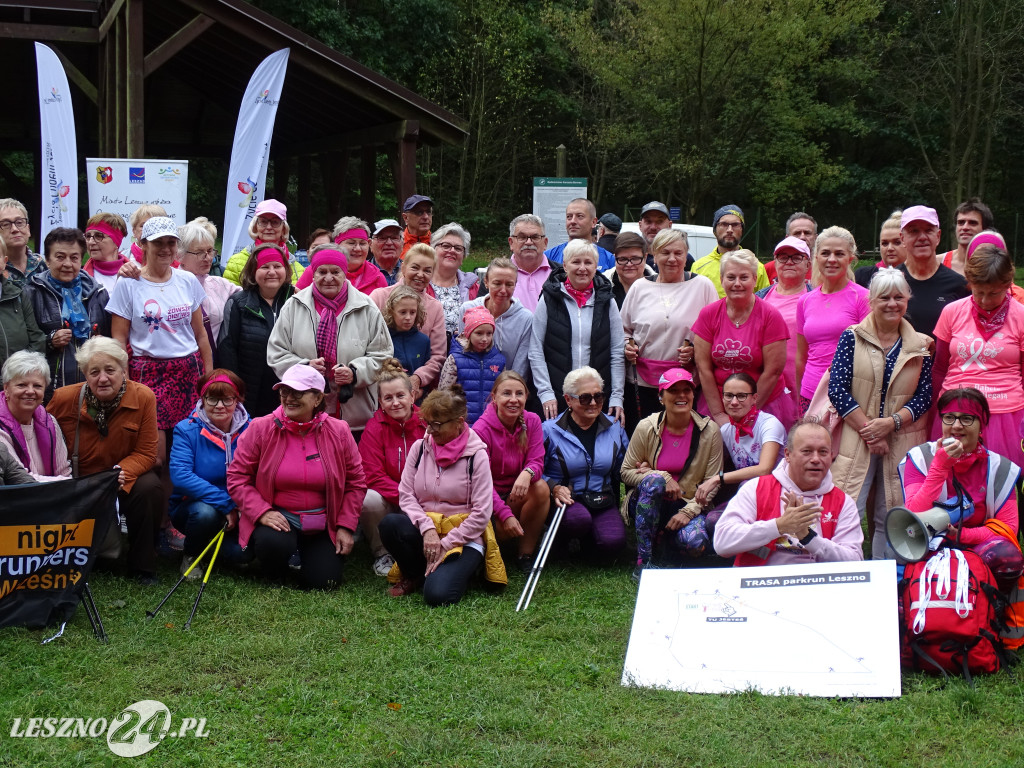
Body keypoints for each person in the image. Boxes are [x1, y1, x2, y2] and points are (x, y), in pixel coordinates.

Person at [227, 364, 365, 589]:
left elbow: (356, 483)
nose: (289, 398)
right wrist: (261, 512)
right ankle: (274, 571)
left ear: (318, 398)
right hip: (279, 519)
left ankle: (309, 562)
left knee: (326, 583)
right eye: (284, 392)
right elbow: (237, 478)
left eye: (298, 393)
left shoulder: (339, 431)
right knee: (272, 543)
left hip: (323, 522)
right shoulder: (260, 428)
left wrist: (346, 526)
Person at [827, 268, 932, 558]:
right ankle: (842, 575)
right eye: (884, 297)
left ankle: (889, 583)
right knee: (848, 509)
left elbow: (924, 396)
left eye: (899, 297)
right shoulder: (852, 337)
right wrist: (872, 432)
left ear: (908, 301)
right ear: (871, 301)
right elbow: (837, 389)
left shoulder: (921, 345)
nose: (892, 303)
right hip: (855, 437)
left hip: (901, 439)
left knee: (891, 515)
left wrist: (891, 423)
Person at [47, 338, 162, 583]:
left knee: (149, 487)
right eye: (94, 372)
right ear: (85, 375)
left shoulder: (143, 397)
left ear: (123, 370)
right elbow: (42, 433)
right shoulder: (63, 398)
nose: (103, 378)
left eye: (110, 370)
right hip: (79, 479)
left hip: (120, 477)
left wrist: (122, 472)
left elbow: (146, 453)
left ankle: (143, 566)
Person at [107, 216, 213, 476]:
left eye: (171, 242)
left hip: (188, 371)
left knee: (188, 452)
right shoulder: (129, 283)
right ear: (143, 244)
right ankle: (158, 511)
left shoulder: (187, 280)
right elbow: (119, 339)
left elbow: (200, 335)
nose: (165, 249)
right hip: (149, 374)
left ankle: (178, 513)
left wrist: (209, 376)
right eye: (158, 243)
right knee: (155, 456)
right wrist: (126, 383)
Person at [378, 385, 503, 605]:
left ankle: (461, 569)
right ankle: (415, 573)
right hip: (428, 531)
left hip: (464, 537)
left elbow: (482, 513)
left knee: (437, 596)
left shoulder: (477, 456)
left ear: (459, 422)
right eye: (427, 423)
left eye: (437, 425)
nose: (430, 431)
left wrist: (447, 543)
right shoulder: (419, 448)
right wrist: (427, 529)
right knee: (390, 524)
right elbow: (405, 494)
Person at [899, 388, 1022, 590]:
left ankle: (997, 612)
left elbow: (1008, 529)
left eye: (967, 418)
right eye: (949, 418)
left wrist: (961, 535)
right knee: (895, 551)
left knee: (1007, 556)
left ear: (981, 425)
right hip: (926, 542)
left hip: (978, 545)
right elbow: (913, 516)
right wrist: (940, 466)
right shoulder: (921, 457)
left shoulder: (1001, 467)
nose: (956, 426)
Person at [268, 247, 393, 434]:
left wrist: (354, 372)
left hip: (355, 415)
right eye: (322, 271)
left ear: (345, 274)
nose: (328, 278)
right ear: (313, 274)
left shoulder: (366, 307)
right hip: (304, 413)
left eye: (335, 272)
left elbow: (383, 355)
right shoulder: (294, 306)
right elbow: (276, 353)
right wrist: (304, 367)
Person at [714, 420, 864, 565]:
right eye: (807, 451)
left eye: (823, 452)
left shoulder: (843, 502)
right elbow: (722, 543)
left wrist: (808, 537)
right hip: (761, 584)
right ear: (787, 455)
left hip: (818, 585)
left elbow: (855, 561)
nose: (816, 459)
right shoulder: (756, 488)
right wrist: (779, 526)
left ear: (831, 456)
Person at [621, 369, 723, 578]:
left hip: (687, 503)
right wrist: (661, 476)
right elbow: (626, 472)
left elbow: (713, 482)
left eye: (687, 390)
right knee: (655, 481)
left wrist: (688, 512)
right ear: (661, 397)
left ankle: (664, 539)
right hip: (649, 501)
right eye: (673, 391)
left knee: (695, 544)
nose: (682, 396)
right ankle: (644, 561)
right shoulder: (646, 427)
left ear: (694, 395)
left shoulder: (710, 430)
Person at [931, 245, 1024, 468]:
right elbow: (940, 368)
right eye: (978, 291)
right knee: (949, 484)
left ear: (1007, 285)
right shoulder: (952, 312)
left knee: (999, 486)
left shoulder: (1021, 316)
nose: (984, 300)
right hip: (954, 411)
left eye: (993, 293)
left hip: (1004, 415)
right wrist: (936, 412)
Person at [621, 228, 718, 434]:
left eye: (678, 253)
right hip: (644, 383)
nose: (672, 259)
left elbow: (716, 332)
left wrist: (696, 350)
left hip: (686, 384)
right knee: (645, 437)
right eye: (665, 253)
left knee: (681, 438)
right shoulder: (639, 287)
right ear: (653, 256)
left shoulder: (702, 286)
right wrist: (627, 346)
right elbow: (623, 329)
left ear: (686, 255)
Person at [692, 249, 792, 428]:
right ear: (722, 280)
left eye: (744, 277)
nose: (737, 283)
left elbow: (773, 371)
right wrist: (719, 414)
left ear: (755, 279)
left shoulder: (770, 316)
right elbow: (703, 368)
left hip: (762, 404)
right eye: (731, 277)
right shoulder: (708, 314)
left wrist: (748, 413)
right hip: (718, 403)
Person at [530, 240, 625, 422]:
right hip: (557, 396)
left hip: (596, 397)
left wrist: (616, 396)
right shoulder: (549, 298)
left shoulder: (607, 301)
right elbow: (535, 350)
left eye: (588, 262)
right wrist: (546, 393)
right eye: (576, 262)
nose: (582, 268)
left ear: (596, 266)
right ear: (565, 265)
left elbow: (617, 352)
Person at [169, 369, 251, 576]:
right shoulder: (186, 430)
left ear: (238, 400)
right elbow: (181, 475)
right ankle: (192, 554)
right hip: (195, 506)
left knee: (241, 556)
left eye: (227, 399)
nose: (220, 406)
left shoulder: (254, 429)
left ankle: (218, 546)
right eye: (212, 399)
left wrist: (241, 506)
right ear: (202, 399)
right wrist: (226, 504)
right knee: (205, 514)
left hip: (241, 507)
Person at [543, 367, 629, 561]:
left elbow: (624, 467)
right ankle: (562, 537)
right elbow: (533, 469)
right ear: (568, 400)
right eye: (584, 398)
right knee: (578, 521)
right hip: (565, 500)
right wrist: (553, 487)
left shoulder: (615, 427)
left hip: (601, 498)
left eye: (598, 397)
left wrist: (639, 468)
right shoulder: (549, 430)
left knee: (613, 543)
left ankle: (585, 542)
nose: (593, 403)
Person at [472, 371, 549, 572]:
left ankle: (525, 554)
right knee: (495, 530)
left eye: (519, 394)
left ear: (526, 397)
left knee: (540, 488)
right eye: (507, 393)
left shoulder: (532, 421)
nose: (513, 400)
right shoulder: (481, 430)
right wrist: (505, 514)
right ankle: (496, 543)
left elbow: (537, 460)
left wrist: (527, 473)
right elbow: (481, 484)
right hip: (488, 501)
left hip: (516, 494)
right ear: (494, 397)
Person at [358, 359, 426, 577]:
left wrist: (418, 497)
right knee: (368, 498)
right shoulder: (374, 428)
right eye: (388, 398)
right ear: (380, 401)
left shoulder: (429, 423)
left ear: (412, 396)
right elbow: (372, 475)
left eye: (400, 396)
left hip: (424, 496)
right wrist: (405, 497)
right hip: (390, 497)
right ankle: (382, 552)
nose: (395, 403)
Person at [24, 227, 110, 393]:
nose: (68, 264)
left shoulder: (98, 294)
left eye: (74, 257)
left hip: (94, 388)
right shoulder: (32, 293)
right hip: (49, 389)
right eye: (60, 257)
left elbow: (112, 339)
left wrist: (102, 341)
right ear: (47, 260)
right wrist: (50, 341)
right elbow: (23, 343)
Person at [796, 226, 870, 411]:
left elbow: (871, 354)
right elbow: (801, 357)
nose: (831, 259)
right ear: (817, 257)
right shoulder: (805, 301)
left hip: (849, 396)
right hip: (810, 393)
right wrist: (799, 393)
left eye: (839, 254)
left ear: (850, 259)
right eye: (826, 253)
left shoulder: (863, 298)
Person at [219, 244, 294, 417]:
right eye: (265, 267)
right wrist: (235, 389)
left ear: (286, 270)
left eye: (277, 266)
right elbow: (227, 348)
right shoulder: (238, 303)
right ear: (253, 271)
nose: (272, 272)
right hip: (250, 391)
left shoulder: (296, 300)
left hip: (289, 387)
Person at [694, 373, 785, 510]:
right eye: (729, 395)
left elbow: (764, 469)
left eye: (742, 396)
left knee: (745, 487)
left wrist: (718, 478)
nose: (734, 402)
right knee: (713, 521)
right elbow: (705, 463)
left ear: (754, 398)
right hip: (748, 496)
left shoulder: (769, 424)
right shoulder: (726, 431)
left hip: (779, 494)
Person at [369, 244, 447, 398]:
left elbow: (437, 356)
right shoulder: (379, 297)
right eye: (415, 268)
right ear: (403, 268)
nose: (420, 274)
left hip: (416, 392)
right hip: (378, 386)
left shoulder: (435, 307)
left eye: (427, 270)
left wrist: (417, 379)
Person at [756, 236, 812, 416]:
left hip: (805, 386)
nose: (789, 262)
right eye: (783, 257)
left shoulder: (816, 298)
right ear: (775, 262)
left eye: (796, 257)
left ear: (808, 265)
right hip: (768, 388)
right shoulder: (759, 298)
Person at [898, 205, 969, 337]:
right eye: (914, 231)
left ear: (938, 236)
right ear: (902, 238)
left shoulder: (958, 284)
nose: (922, 237)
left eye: (928, 230)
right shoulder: (891, 281)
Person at [0, 350, 71, 481]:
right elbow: (20, 479)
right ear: (6, 388)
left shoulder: (50, 422)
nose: (30, 391)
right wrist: (72, 484)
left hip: (51, 497)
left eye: (37, 386)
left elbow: (64, 472)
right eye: (22, 385)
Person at [177, 218, 240, 362]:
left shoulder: (220, 284)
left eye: (210, 251)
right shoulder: (167, 285)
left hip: (213, 364)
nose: (208, 258)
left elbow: (252, 296)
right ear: (179, 255)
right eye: (200, 252)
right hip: (180, 367)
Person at [458, 257, 533, 377]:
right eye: (497, 283)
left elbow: (520, 366)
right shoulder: (468, 309)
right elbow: (461, 351)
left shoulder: (526, 319)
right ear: (486, 282)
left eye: (509, 284)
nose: (503, 290)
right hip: (471, 381)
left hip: (508, 385)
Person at [439, 306, 505, 424]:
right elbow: (444, 393)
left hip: (490, 424)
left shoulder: (499, 360)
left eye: (489, 333)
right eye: (479, 333)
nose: (485, 339)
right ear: (468, 333)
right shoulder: (455, 359)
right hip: (461, 425)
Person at [692, 205, 769, 297]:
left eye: (735, 225)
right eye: (724, 224)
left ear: (742, 230)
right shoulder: (698, 267)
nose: (729, 230)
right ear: (715, 230)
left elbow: (765, 304)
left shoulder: (757, 267)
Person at [222, 199, 304, 286]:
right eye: (263, 221)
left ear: (284, 228)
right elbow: (230, 297)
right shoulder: (236, 263)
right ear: (255, 226)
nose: (269, 227)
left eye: (275, 222)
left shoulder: (298, 270)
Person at [295, 218, 388, 294]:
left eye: (362, 244)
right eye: (351, 243)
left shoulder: (377, 277)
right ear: (337, 245)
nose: (358, 249)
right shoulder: (317, 270)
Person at [0, 233, 46, 375]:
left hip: (19, 382)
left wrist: (17, 378)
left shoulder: (17, 294)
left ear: (4, 262)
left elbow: (36, 339)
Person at [430, 222, 480, 338]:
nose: (452, 250)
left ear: (463, 257)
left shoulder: (474, 289)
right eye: (446, 246)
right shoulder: (420, 284)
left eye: (458, 248)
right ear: (433, 250)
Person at [544, 198, 615, 271]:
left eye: (580, 216)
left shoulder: (608, 259)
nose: (573, 221)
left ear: (593, 222)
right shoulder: (548, 257)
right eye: (569, 217)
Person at [507, 214, 552, 311]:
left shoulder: (561, 274)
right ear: (511, 243)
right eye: (522, 237)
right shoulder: (496, 275)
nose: (528, 242)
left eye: (535, 237)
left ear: (545, 243)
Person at [937, 198, 993, 277]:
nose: (965, 227)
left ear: (985, 229)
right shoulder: (938, 263)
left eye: (972, 223)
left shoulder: (993, 266)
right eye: (961, 222)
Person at [383, 286, 431, 377]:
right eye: (403, 312)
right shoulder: (383, 339)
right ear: (391, 311)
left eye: (412, 312)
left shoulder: (423, 341)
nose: (408, 318)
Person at [81, 212, 129, 294]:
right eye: (88, 236)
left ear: (116, 242)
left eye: (98, 236)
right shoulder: (80, 278)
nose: (91, 242)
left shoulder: (134, 275)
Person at [0, 198, 45, 287]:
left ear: (28, 229)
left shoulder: (42, 264)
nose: (15, 229)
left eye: (19, 222)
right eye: (6, 224)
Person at [855, 210, 905, 288]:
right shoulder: (862, 276)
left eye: (897, 242)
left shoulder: (918, 277)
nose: (890, 248)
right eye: (885, 243)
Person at [605, 232, 654, 308]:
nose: (629, 264)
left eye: (635, 259)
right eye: (623, 259)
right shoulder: (602, 285)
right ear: (614, 258)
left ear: (645, 257)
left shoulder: (660, 286)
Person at [765, 212, 817, 283]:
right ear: (787, 238)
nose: (802, 237)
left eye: (807, 233)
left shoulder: (824, 270)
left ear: (816, 238)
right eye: (797, 233)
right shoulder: (768, 269)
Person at [638, 201, 683, 269]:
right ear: (640, 225)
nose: (653, 227)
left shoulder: (681, 260)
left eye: (659, 221)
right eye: (648, 221)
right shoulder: (630, 260)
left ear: (669, 225)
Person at [369, 218, 403, 285]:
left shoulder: (411, 272)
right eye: (382, 238)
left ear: (402, 243)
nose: (389, 243)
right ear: (370, 244)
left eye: (394, 238)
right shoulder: (361, 272)